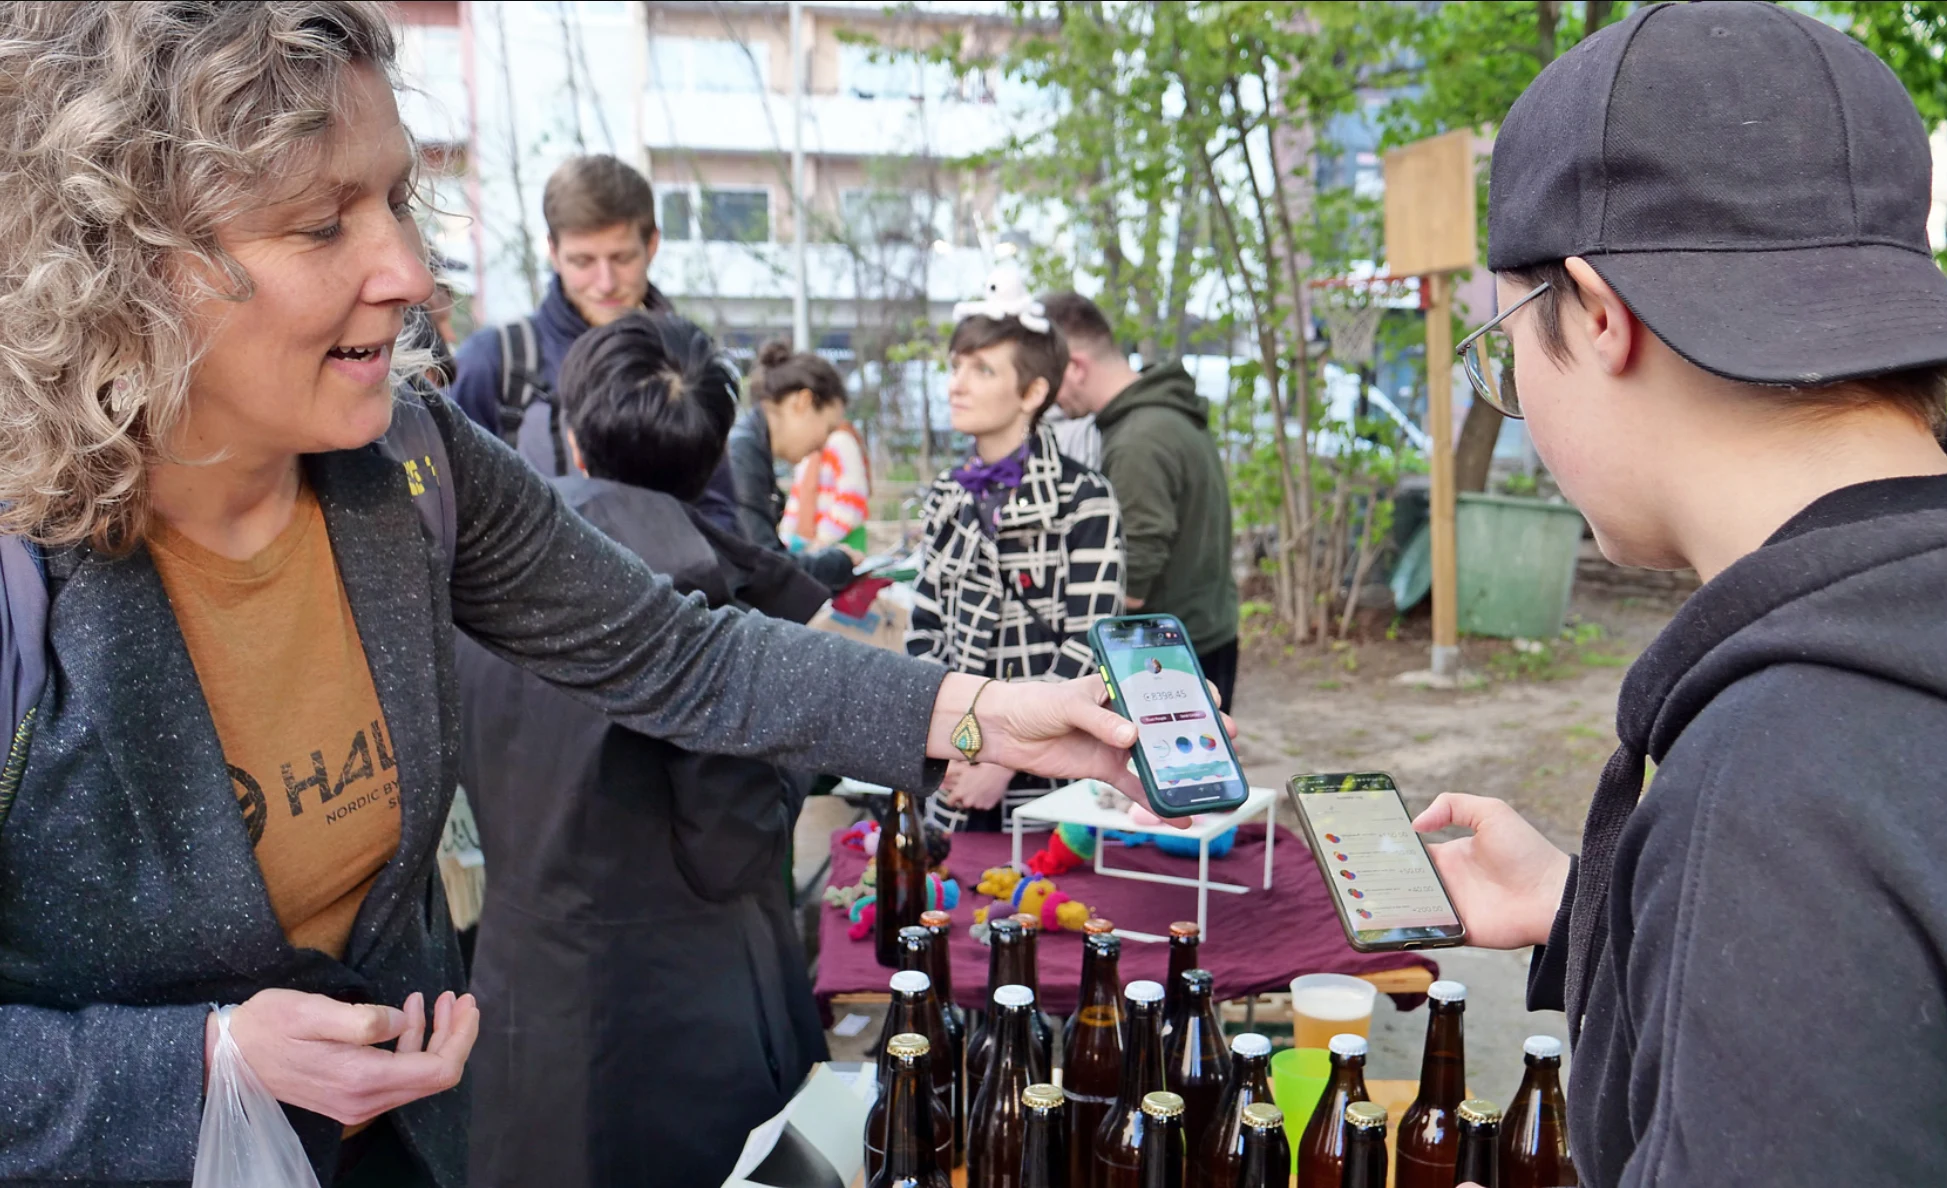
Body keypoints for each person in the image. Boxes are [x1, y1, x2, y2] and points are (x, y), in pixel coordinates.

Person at [0, 6, 1159, 1184]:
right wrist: (197, 1064)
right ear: (121, 263)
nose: (406, 271)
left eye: (396, 199)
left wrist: (967, 710)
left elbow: (677, 653)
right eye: (318, 225)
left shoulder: (409, 465)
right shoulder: (25, 571)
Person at [1408, 4, 1947, 1185]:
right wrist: (1599, 910)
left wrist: (1734, 885)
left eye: (1500, 347)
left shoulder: (1786, 778)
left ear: (1597, 317)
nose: (1510, 397)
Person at [456, 313, 830, 1187]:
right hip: (677, 1017)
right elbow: (731, 844)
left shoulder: (482, 573)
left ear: (575, 438)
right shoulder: (699, 598)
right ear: (710, 459)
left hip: (520, 989)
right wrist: (800, 754)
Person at [907, 288, 1125, 831]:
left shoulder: (1084, 498)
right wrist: (950, 740)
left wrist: (1003, 752)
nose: (956, 384)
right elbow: (925, 628)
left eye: (981, 370)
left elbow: (1091, 640)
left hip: (1047, 785)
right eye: (956, 366)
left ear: (1032, 391)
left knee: (1041, 908)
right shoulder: (946, 495)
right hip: (951, 767)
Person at [444, 152, 738, 527]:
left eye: (621, 258)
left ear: (652, 245)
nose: (605, 283)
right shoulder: (493, 362)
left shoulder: (686, 361)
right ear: (553, 252)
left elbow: (723, 516)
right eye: (583, 261)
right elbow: (451, 514)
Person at [1043, 292, 1239, 709]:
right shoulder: (1161, 413)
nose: (1050, 398)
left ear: (1076, 367)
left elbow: (1134, 575)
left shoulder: (1138, 439)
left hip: (1172, 654)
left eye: (1049, 378)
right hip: (1204, 633)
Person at [728, 343, 860, 592]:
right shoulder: (742, 455)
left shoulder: (751, 449)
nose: (823, 444)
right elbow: (763, 566)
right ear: (804, 402)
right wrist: (838, 562)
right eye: (829, 428)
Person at [780, 420, 872, 554]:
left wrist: (820, 541)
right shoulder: (807, 450)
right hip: (811, 547)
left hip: (843, 545)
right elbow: (796, 499)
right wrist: (785, 538)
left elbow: (852, 502)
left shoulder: (841, 441)